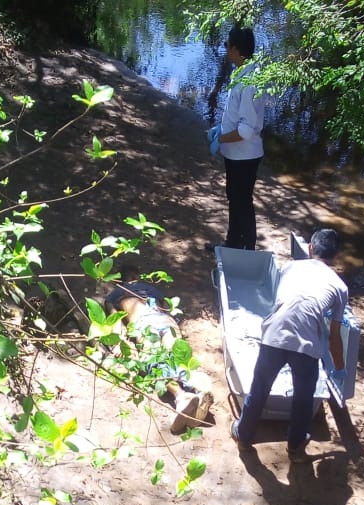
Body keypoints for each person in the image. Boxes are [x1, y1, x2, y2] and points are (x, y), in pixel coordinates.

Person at [231, 229, 348, 462]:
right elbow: (334, 336)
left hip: (273, 335)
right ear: (336, 256)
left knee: (260, 387)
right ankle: (295, 449)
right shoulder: (340, 287)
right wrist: (339, 368)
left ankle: (243, 436)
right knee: (304, 398)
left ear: (311, 249)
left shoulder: (291, 267)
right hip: (306, 347)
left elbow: (286, 303)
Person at [105, 281, 214, 434]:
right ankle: (195, 390)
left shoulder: (116, 293)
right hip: (166, 321)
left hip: (143, 324)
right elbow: (166, 308)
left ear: (122, 280)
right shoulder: (152, 289)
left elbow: (115, 318)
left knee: (154, 360)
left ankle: (181, 397)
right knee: (177, 355)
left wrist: (117, 341)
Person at [205, 25, 265, 251]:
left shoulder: (249, 81)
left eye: (227, 45)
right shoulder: (242, 71)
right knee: (235, 198)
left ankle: (248, 250)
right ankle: (232, 244)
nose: (225, 49)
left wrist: (220, 139)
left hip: (245, 155)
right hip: (236, 155)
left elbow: (245, 131)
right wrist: (220, 130)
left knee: (242, 203)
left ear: (237, 49)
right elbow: (236, 118)